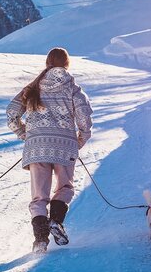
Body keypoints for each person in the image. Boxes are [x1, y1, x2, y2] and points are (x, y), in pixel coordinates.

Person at [6, 47, 93, 253]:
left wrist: (25, 134)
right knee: (64, 188)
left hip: (37, 148)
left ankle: (40, 240)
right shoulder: (73, 87)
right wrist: (81, 139)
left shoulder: (32, 87)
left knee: (39, 196)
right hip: (65, 147)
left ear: (47, 63)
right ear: (66, 64)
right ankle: (55, 221)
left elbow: (11, 113)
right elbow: (84, 117)